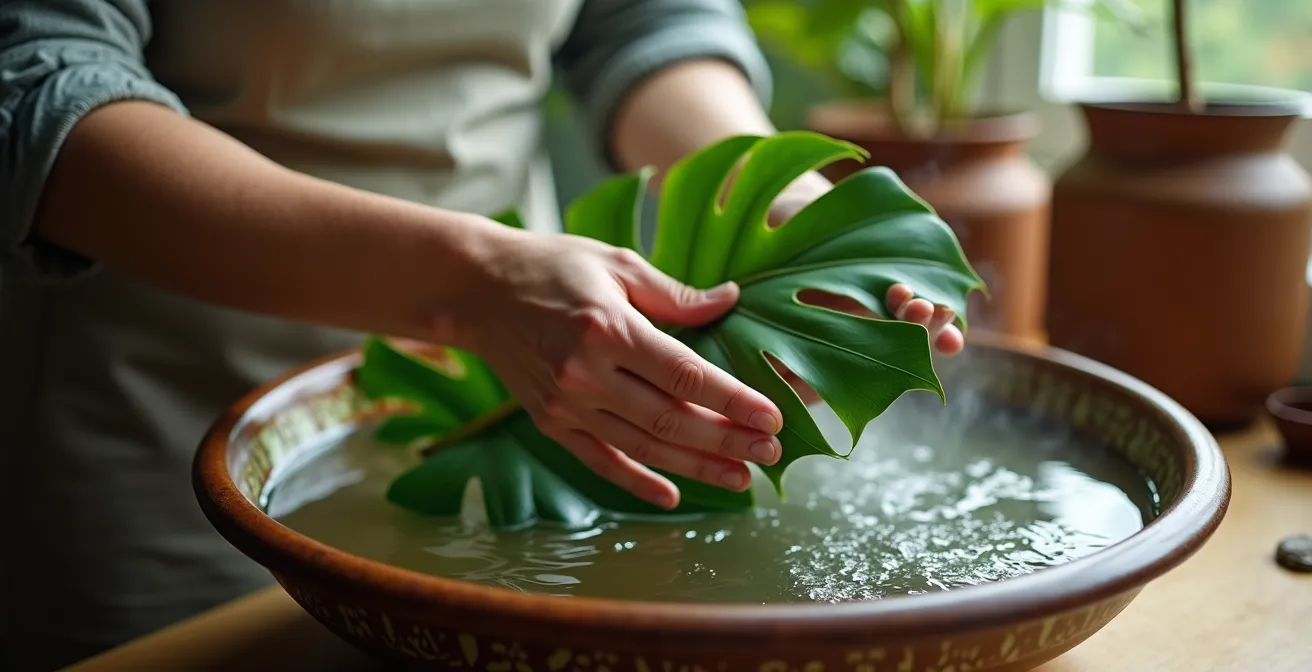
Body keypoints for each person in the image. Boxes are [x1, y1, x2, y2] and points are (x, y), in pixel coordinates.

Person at [0, 0, 964, 669]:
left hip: (545, 385)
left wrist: (779, 210)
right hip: (167, 427)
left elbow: (643, 21)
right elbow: (38, 85)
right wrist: (469, 286)